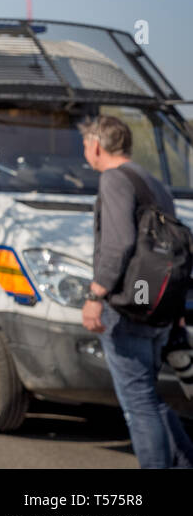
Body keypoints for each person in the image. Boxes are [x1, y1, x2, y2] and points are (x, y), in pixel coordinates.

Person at [79, 115, 193, 468]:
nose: (85, 150)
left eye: (85, 144)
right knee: (148, 397)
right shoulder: (151, 181)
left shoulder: (113, 179)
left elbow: (119, 243)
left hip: (127, 307)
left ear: (97, 146)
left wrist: (96, 295)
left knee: (138, 404)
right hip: (158, 306)